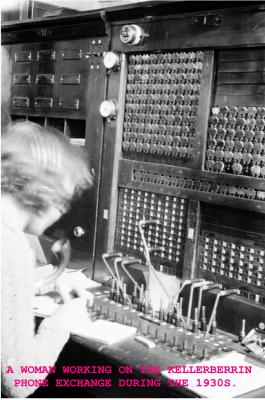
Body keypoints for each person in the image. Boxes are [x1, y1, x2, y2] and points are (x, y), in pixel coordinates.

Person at [1, 121, 93, 398]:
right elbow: (18, 381)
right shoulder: (11, 247)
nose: (61, 211)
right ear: (43, 188)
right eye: (63, 199)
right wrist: (62, 321)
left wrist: (37, 286)